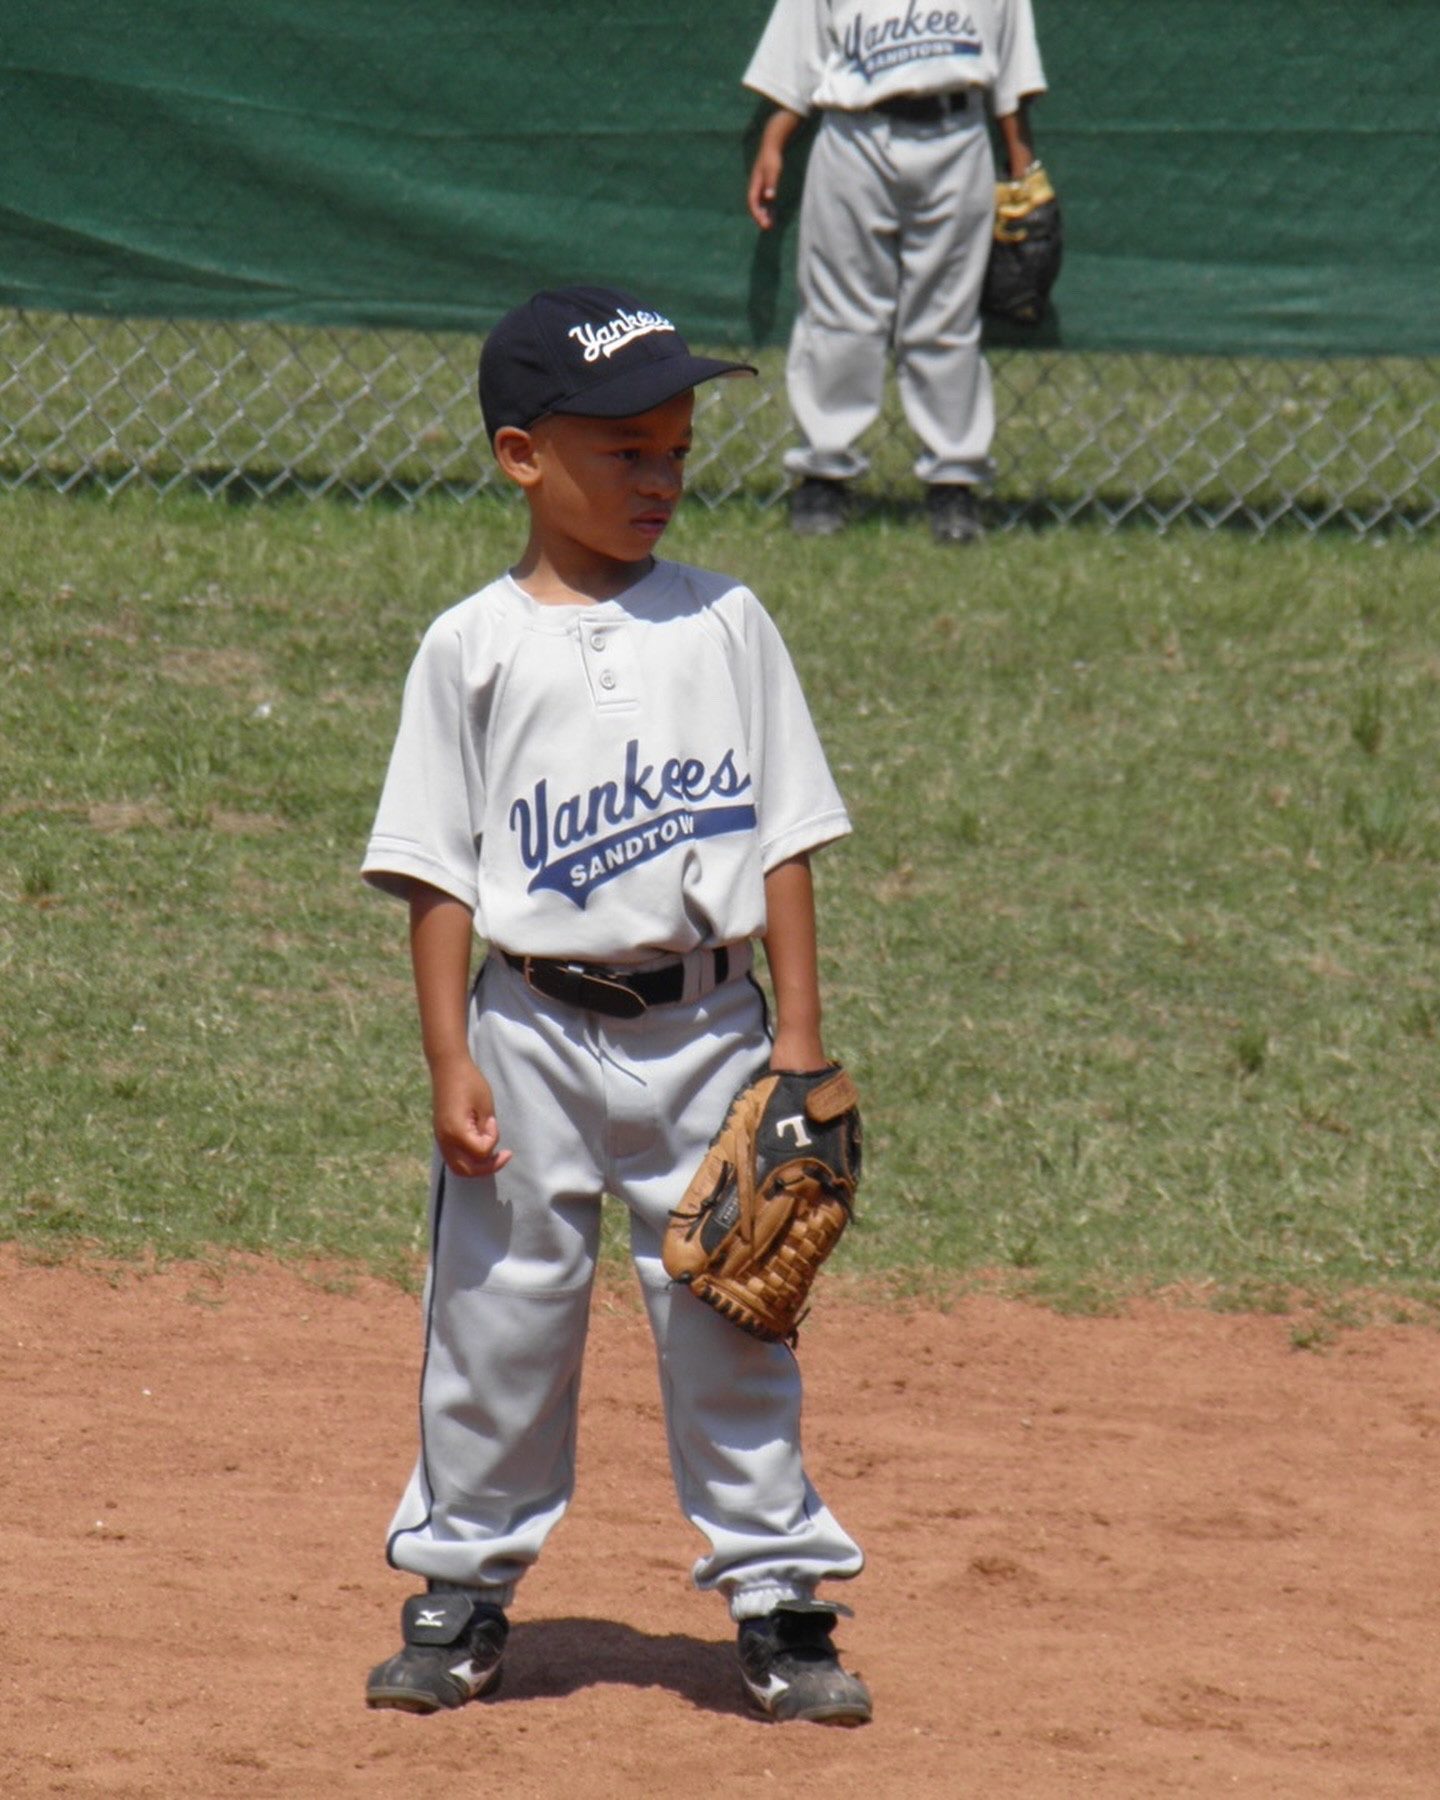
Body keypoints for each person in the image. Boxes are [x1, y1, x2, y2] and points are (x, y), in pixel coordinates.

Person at [359, 286, 871, 1727]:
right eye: (625, 450)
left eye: (678, 450)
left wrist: (801, 1046)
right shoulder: (471, 646)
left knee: (732, 1313)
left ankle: (778, 1593)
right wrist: (449, 1050)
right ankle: (461, 1585)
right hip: (527, 1032)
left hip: (712, 1030)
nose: (660, 477)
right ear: (523, 457)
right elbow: (435, 874)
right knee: (501, 1316)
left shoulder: (727, 620)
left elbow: (785, 839)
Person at [743, 0, 1048, 543]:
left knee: (947, 320)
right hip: (854, 131)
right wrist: (775, 137)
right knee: (839, 314)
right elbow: (799, 54)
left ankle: (953, 481)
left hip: (958, 131)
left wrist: (1022, 165)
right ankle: (824, 472)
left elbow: (1012, 72)